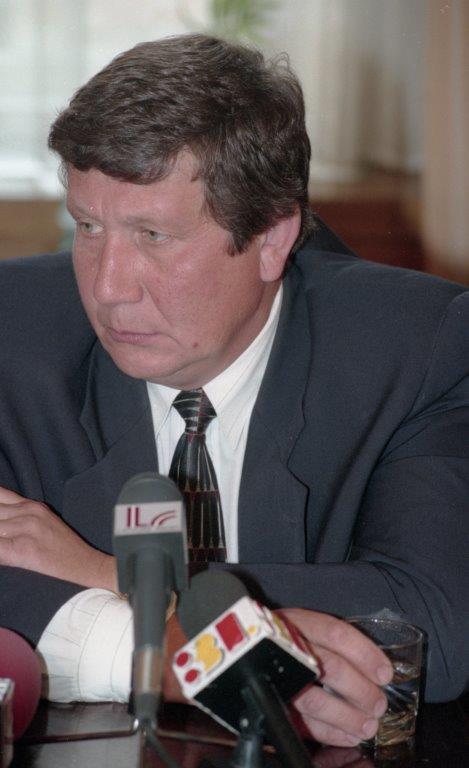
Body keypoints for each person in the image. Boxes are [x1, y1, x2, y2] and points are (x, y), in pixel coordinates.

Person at [0, 33, 467, 748]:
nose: (107, 287)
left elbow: (435, 622)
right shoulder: (13, 331)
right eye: (87, 226)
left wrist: (113, 577)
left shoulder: (416, 348)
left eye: (152, 235)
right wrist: (173, 655)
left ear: (273, 239)